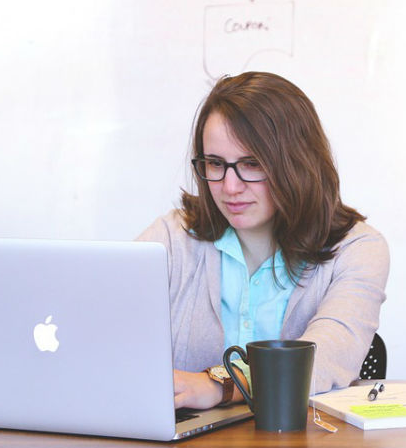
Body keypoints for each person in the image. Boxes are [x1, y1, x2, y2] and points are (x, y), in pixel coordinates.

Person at [136, 72, 389, 410]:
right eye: (215, 163)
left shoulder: (358, 250)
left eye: (251, 164)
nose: (229, 187)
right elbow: (103, 324)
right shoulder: (171, 238)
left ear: (297, 163)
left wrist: (219, 385)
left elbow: (327, 355)